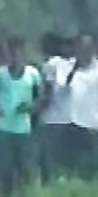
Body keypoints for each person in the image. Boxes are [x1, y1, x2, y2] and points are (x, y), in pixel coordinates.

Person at [42, 32, 98, 178]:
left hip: (89, 124)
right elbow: (56, 92)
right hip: (63, 122)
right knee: (61, 165)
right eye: (81, 48)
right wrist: (72, 71)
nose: (84, 52)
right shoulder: (62, 66)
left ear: (94, 49)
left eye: (88, 48)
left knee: (86, 166)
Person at [0, 37, 43, 197]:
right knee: (3, 166)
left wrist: (31, 107)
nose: (16, 56)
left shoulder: (33, 74)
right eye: (12, 52)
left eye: (19, 52)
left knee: (25, 166)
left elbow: (41, 97)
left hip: (23, 127)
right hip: (2, 126)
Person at [37, 33, 73, 185]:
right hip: (68, 116)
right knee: (63, 155)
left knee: (48, 156)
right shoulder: (70, 63)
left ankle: (49, 182)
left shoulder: (51, 65)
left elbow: (48, 91)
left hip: (51, 117)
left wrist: (39, 110)